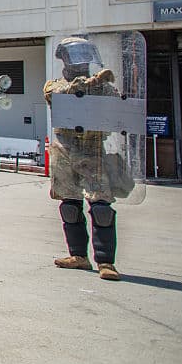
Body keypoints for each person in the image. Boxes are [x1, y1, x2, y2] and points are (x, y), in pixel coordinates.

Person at [43, 36, 135, 281]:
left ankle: (106, 261)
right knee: (70, 207)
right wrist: (91, 81)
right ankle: (78, 256)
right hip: (65, 149)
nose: (81, 58)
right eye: (76, 52)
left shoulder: (103, 86)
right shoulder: (54, 85)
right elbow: (64, 94)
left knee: (101, 207)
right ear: (63, 57)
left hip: (94, 150)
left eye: (85, 52)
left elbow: (119, 109)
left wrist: (102, 86)